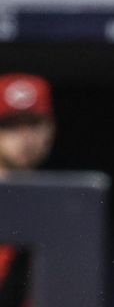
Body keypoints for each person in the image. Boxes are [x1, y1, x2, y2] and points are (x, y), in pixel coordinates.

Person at [0, 74, 57, 307]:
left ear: (51, 129)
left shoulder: (60, 203)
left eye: (34, 123)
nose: (25, 137)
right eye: (10, 124)